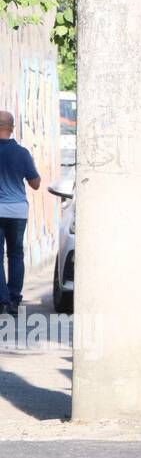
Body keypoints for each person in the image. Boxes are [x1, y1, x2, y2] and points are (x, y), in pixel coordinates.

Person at [0, 110, 40, 317]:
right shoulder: (22, 153)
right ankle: (14, 299)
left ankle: (2, 299)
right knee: (15, 254)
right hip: (17, 211)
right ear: (12, 128)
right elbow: (35, 184)